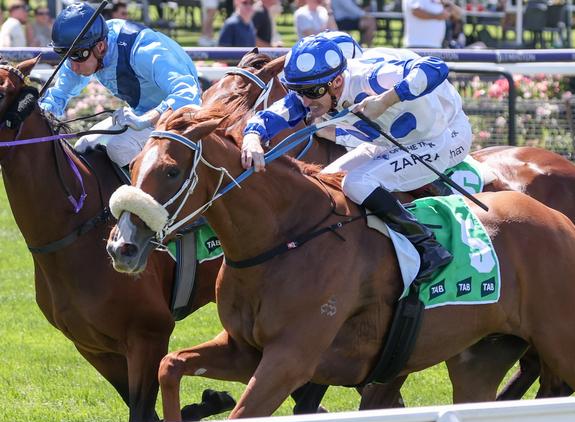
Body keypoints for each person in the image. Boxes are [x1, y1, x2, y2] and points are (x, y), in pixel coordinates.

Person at [241, 35, 472, 282]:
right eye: (298, 91)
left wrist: (386, 100)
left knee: (356, 183)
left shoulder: (372, 77)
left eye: (311, 92)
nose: (305, 101)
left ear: (337, 81)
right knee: (325, 182)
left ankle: (428, 247)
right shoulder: (314, 93)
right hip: (388, 143)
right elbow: (271, 115)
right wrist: (252, 136)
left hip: (444, 136)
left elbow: (435, 67)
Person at [39, 2, 202, 168]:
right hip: (143, 114)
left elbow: (187, 94)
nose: (73, 66)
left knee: (120, 147)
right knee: (84, 146)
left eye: (77, 56)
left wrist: (146, 119)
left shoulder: (143, 49)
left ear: (100, 47)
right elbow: (58, 96)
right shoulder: (84, 49)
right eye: (65, 56)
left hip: (181, 117)